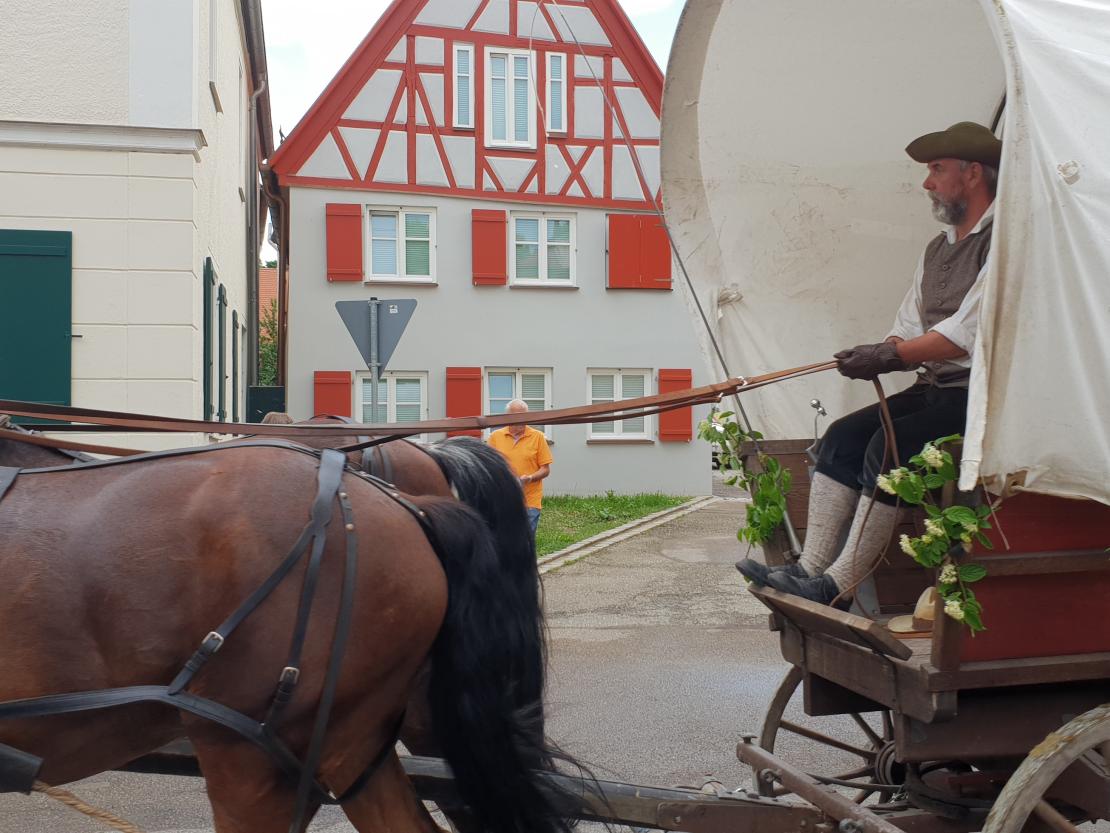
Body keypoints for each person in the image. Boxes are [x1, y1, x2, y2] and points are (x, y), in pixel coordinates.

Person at [737, 121, 1001, 608]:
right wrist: (884, 349)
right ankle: (809, 568)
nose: (927, 183)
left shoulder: (1002, 243)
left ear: (972, 175)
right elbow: (909, 320)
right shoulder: (937, 248)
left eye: (936, 170)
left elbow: (966, 334)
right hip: (937, 388)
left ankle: (837, 585)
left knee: (889, 445)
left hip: (983, 397)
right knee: (842, 436)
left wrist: (891, 355)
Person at [487, 399, 552, 537]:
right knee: (504, 540)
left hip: (530, 500)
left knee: (525, 539)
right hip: (503, 499)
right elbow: (489, 468)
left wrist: (530, 478)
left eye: (525, 416)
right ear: (508, 417)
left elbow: (545, 469)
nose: (523, 421)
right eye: (518, 417)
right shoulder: (495, 437)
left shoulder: (538, 437)